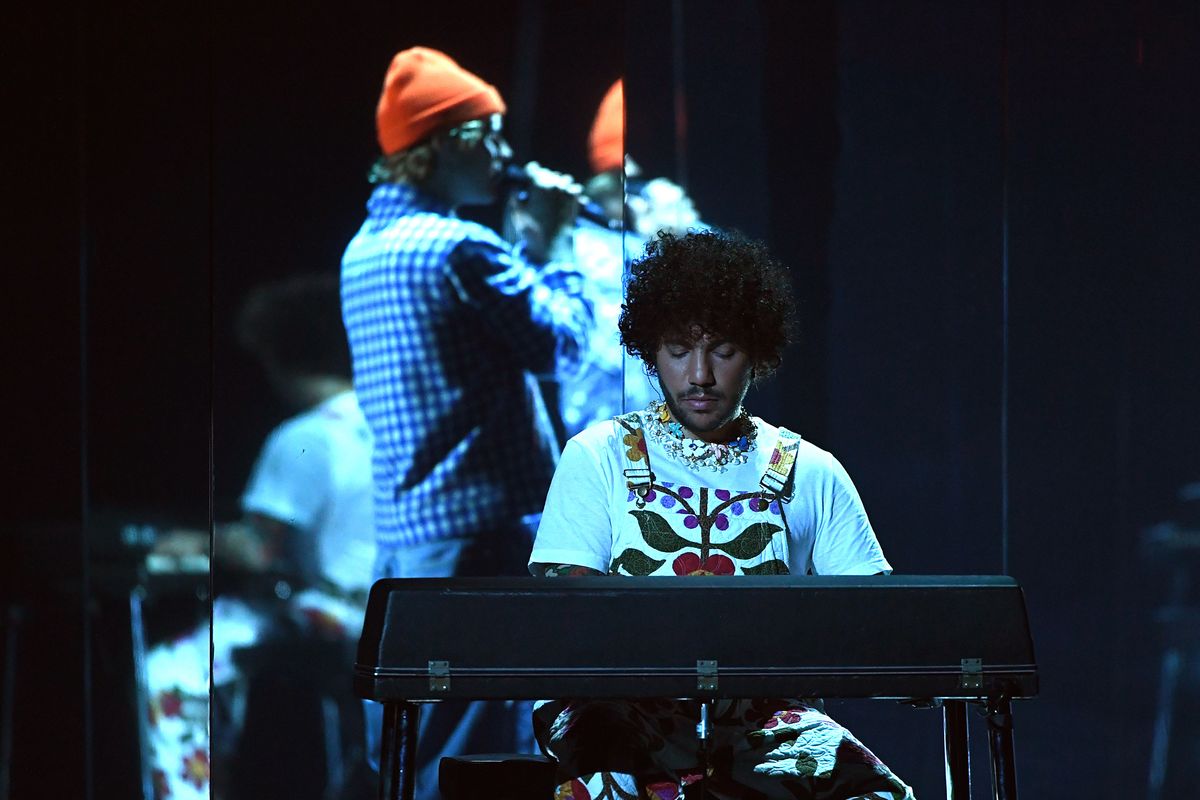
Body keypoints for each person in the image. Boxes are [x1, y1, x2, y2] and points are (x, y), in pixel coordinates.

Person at [529, 230, 915, 800]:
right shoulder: (599, 455)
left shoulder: (810, 470)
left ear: (757, 353)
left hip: (766, 724)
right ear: (650, 350)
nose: (700, 375)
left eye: (723, 351)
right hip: (624, 714)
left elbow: (872, 623)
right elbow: (569, 620)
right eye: (679, 350)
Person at [339, 46, 593, 799]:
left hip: (413, 543)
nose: (505, 153)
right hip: (486, 542)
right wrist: (555, 239)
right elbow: (562, 345)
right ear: (443, 143)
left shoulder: (365, 250)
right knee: (488, 761)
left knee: (423, 754)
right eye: (489, 133)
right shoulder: (462, 248)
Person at [146, 275, 375, 800]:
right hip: (382, 617)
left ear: (277, 355)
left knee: (168, 672)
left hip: (326, 617)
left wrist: (197, 540)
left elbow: (257, 547)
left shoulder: (306, 437)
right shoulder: (383, 423)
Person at [559, 79, 705, 438]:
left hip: (686, 443)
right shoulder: (583, 246)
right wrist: (663, 248)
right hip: (608, 444)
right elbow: (619, 351)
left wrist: (680, 238)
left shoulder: (675, 227)